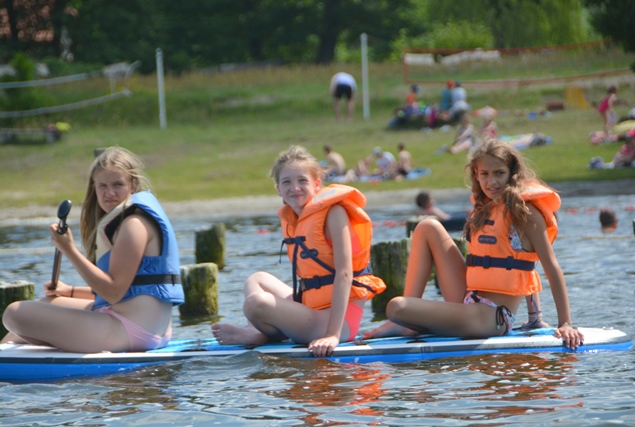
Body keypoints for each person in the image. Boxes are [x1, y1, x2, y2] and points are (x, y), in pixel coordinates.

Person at [363, 139, 583, 350]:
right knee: (427, 226)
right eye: (484, 174)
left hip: (492, 317)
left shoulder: (525, 212)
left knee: (396, 306)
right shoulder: (485, 206)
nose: (491, 182)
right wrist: (535, 319)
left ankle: (406, 318)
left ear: (512, 173)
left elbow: (546, 266)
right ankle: (407, 324)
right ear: (476, 174)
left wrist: (565, 323)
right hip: (469, 299)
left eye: (499, 173)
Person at [1, 147, 184, 353]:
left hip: (132, 330)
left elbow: (113, 293)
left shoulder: (133, 225)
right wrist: (70, 291)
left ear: (133, 185)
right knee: (50, 302)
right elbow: (130, 288)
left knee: (14, 313)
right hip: (144, 326)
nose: (109, 193)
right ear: (94, 188)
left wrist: (69, 249)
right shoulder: (129, 221)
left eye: (118, 184)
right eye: (102, 186)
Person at [211, 145, 386, 357]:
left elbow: (345, 274)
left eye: (302, 180)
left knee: (255, 304)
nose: (295, 188)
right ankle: (256, 332)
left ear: (316, 184)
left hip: (337, 321)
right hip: (311, 310)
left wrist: (332, 335)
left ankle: (262, 333)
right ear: (278, 188)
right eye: (287, 182)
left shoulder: (334, 212)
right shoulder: (294, 218)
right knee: (257, 279)